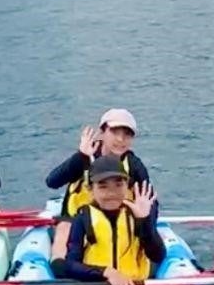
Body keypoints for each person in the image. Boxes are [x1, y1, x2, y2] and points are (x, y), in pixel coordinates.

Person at [54, 156, 166, 285]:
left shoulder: (136, 215)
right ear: (91, 189)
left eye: (118, 185)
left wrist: (144, 221)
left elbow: (157, 255)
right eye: (103, 186)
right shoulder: (83, 218)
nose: (111, 193)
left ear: (127, 187)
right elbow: (70, 265)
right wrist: (107, 272)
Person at [45, 109, 151, 259]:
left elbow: (149, 200)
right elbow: (52, 182)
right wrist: (80, 157)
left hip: (117, 218)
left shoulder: (134, 165)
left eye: (127, 134)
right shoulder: (86, 154)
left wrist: (145, 225)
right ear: (102, 132)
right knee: (64, 228)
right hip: (77, 218)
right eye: (115, 132)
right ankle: (61, 268)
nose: (120, 140)